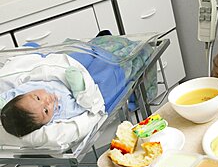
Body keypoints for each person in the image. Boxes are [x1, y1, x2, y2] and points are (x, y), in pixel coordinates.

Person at [0, 34, 157, 137]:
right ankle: (129, 54)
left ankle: (101, 48)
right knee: (109, 69)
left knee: (85, 52)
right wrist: (80, 88)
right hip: (85, 81)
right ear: (46, 123)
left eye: (38, 97)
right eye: (46, 111)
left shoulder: (24, 92)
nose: (46, 102)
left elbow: (7, 96)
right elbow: (85, 103)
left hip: (66, 65)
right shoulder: (64, 112)